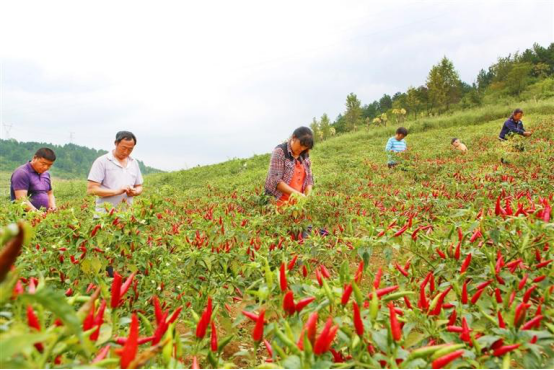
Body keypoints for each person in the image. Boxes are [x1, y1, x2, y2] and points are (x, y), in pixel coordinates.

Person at [87, 131, 143, 213]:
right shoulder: (102, 161)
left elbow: (139, 186)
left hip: (127, 216)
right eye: (123, 148)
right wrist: (117, 192)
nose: (126, 152)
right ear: (116, 143)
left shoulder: (134, 162)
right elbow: (91, 190)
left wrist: (135, 192)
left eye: (130, 149)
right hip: (105, 216)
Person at [265, 126, 314, 206]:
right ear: (293, 137)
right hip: (279, 201)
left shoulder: (305, 155)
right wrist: (298, 195)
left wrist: (307, 196)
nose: (302, 148)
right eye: (301, 144)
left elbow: (309, 178)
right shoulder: (280, 152)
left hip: (297, 202)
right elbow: (275, 181)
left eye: (305, 147)